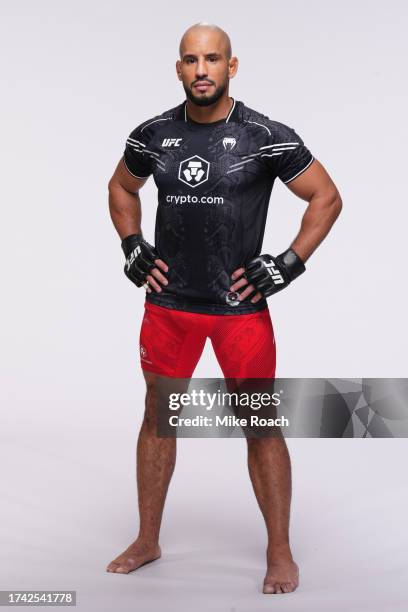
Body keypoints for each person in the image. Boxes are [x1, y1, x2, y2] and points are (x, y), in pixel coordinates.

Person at [106, 22, 342, 595]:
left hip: (239, 309)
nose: (202, 70)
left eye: (213, 59)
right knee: (158, 416)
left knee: (260, 424)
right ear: (179, 68)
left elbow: (326, 197)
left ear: (231, 67)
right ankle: (148, 539)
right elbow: (120, 189)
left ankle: (280, 552)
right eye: (191, 60)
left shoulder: (265, 135)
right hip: (169, 305)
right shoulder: (152, 134)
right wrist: (132, 244)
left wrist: (287, 263)